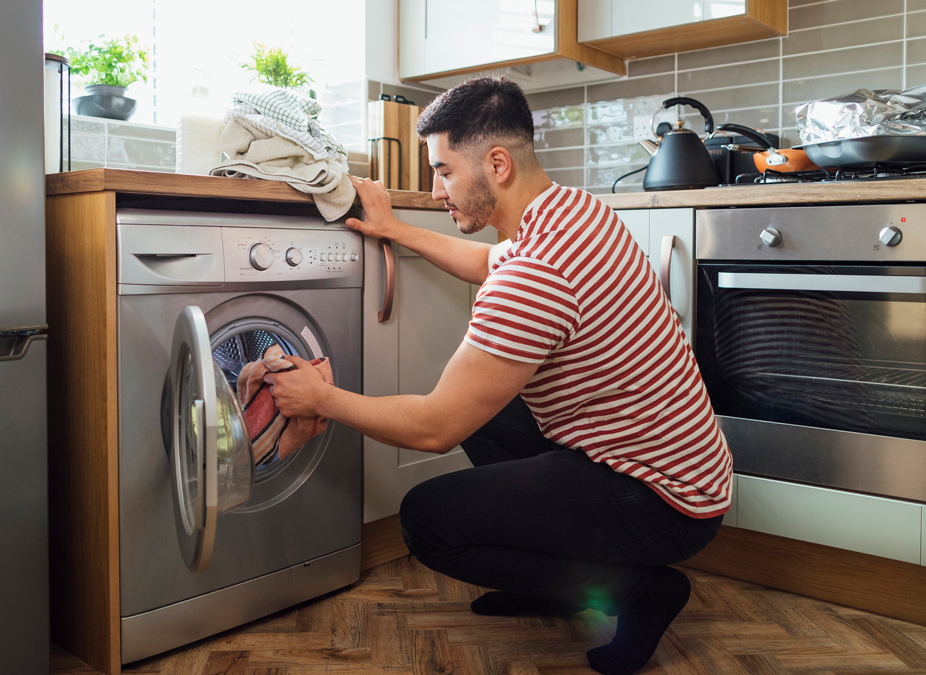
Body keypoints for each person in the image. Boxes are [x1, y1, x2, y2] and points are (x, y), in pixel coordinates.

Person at [263, 76, 732, 675]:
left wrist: (322, 398)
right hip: (676, 462)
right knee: (485, 414)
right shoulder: (573, 212)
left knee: (429, 521)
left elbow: (433, 427)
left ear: (498, 164)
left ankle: (640, 591)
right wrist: (394, 229)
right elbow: (488, 261)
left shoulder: (537, 273)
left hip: (666, 501)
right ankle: (561, 583)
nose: (436, 192)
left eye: (444, 171)